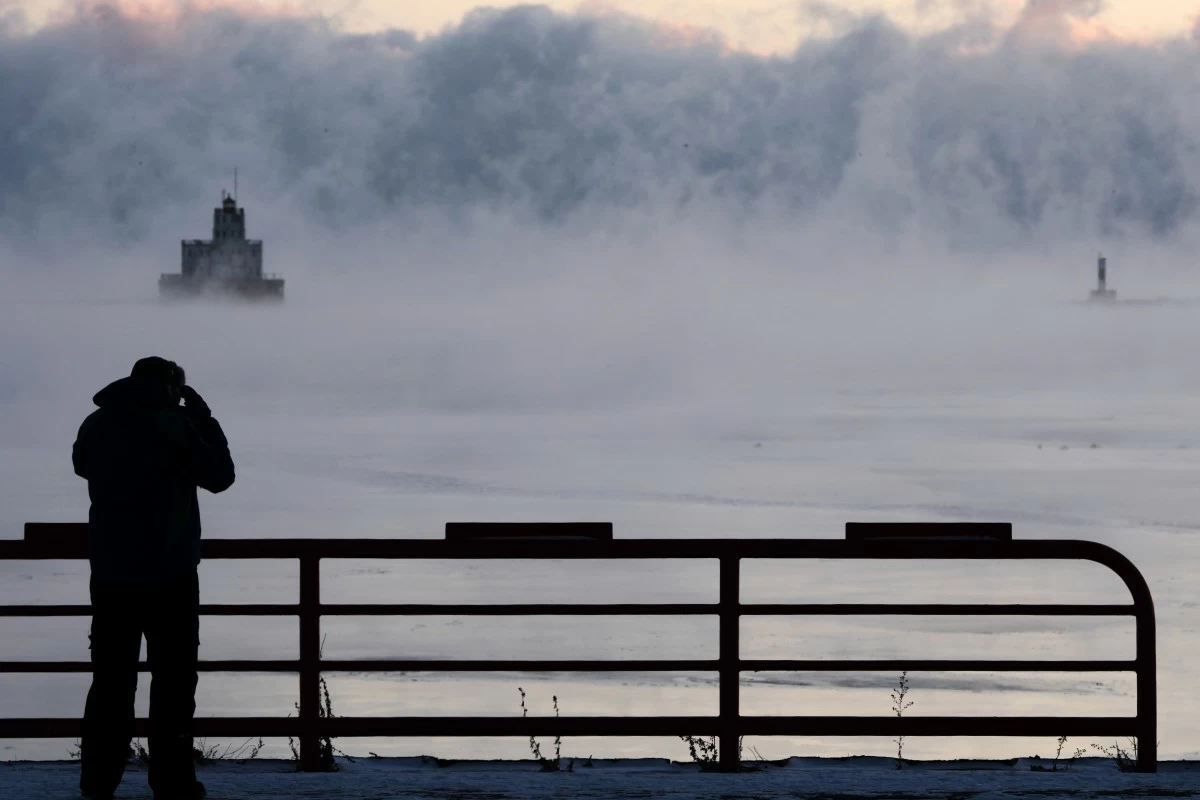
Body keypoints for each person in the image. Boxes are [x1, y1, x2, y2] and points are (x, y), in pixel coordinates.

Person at [72, 357, 235, 800]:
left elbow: (82, 466)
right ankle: (172, 781)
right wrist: (202, 417)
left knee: (110, 681)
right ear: (172, 388)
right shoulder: (176, 426)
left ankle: (97, 780)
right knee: (174, 681)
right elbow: (221, 477)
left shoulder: (96, 422)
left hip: (110, 573)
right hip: (171, 572)